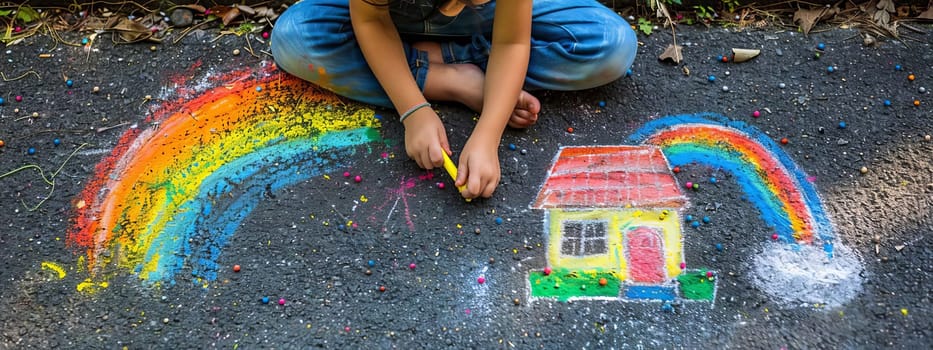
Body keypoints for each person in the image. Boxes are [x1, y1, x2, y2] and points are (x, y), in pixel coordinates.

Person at [271, 0, 636, 199]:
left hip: (490, 23)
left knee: (610, 43)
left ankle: (436, 57)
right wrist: (413, 110)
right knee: (294, 38)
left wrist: (488, 135)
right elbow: (369, 21)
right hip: (389, 17)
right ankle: (450, 78)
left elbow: (512, 41)